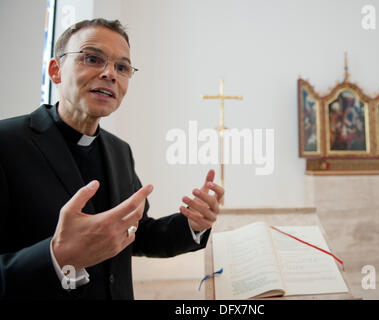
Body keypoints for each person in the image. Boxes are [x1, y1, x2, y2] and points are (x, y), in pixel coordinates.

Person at [0, 18, 224, 300]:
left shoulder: (119, 150)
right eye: (93, 58)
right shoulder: (6, 143)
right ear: (56, 71)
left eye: (122, 67)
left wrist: (193, 224)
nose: (110, 74)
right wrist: (57, 257)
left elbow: (136, 233)